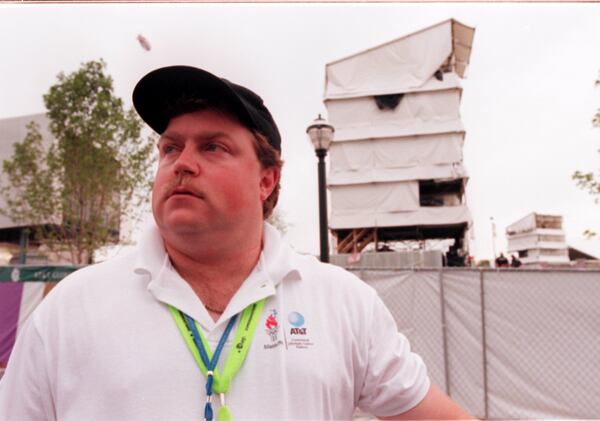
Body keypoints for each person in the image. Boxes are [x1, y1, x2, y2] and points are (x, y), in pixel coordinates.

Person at [0, 65, 474, 420]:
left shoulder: (343, 304)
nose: (182, 163)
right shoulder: (69, 310)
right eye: (170, 147)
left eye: (213, 147)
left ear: (266, 179)